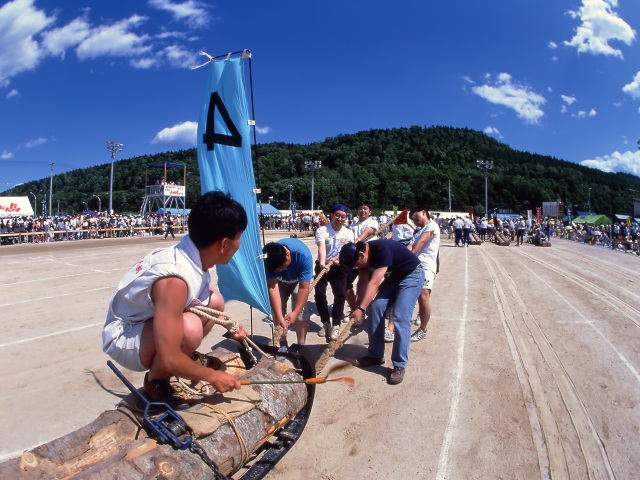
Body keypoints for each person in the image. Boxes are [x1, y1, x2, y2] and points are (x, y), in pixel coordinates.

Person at [102, 191, 248, 407]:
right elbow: (169, 357)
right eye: (239, 237)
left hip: (145, 323)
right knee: (190, 330)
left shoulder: (191, 252)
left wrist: (229, 325)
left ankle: (185, 355)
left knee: (215, 301)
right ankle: (156, 382)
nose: (240, 244)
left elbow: (206, 305)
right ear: (224, 244)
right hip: (124, 336)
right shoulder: (175, 281)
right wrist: (212, 376)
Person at [340, 239, 422, 385]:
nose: (356, 267)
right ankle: (375, 355)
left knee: (400, 317)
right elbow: (364, 281)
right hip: (394, 278)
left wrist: (361, 309)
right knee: (376, 308)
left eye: (355, 264)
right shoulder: (362, 257)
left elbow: (374, 283)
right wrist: (359, 306)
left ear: (361, 255)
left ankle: (399, 364)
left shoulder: (382, 249)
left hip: (411, 276)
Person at [262, 238, 314, 348]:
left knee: (300, 311)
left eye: (282, 268)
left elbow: (303, 288)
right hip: (280, 282)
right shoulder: (269, 258)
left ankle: (301, 344)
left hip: (298, 281)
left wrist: (295, 312)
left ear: (287, 255)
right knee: (277, 311)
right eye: (277, 271)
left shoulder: (303, 256)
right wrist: (280, 316)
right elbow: (272, 286)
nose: (281, 271)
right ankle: (283, 343)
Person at [314, 204, 355, 341]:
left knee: (340, 295)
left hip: (340, 267)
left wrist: (341, 261)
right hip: (324, 265)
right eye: (337, 215)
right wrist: (322, 263)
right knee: (319, 293)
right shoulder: (322, 230)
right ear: (331, 215)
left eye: (343, 216)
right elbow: (321, 247)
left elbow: (348, 252)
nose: (340, 219)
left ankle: (336, 325)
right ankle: (326, 322)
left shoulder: (349, 233)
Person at [408, 206, 440, 342]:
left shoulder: (432, 226)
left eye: (415, 216)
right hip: (414, 265)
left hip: (427, 266)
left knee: (423, 296)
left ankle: (423, 329)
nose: (414, 220)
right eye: (412, 218)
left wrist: (407, 258)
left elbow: (421, 243)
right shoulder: (417, 231)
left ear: (423, 212)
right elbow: (410, 246)